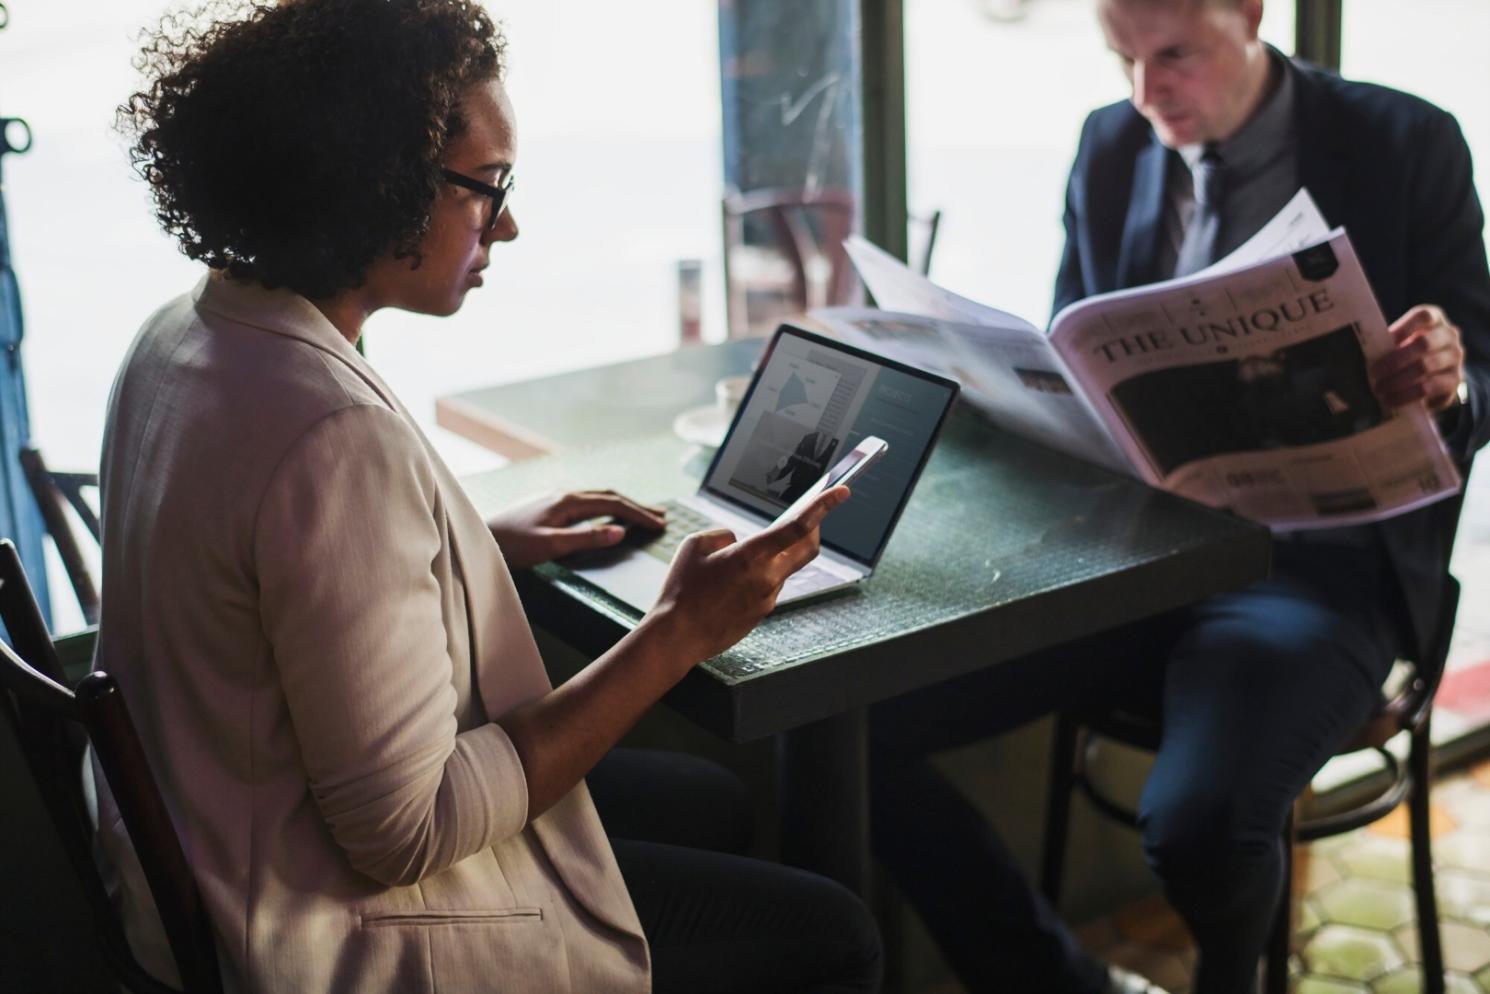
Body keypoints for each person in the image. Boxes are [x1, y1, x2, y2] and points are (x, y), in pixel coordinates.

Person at [93, 2, 883, 992]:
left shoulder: (187, 334)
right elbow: (405, 829)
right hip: (318, 931)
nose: (504, 223)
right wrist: (677, 632)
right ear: (371, 184)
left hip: (209, 852)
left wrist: (464, 544)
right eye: (486, 186)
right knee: (834, 935)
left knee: (705, 803)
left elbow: (267, 584)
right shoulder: (331, 433)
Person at [869, 1, 1489, 992]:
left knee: (1199, 825)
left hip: (1318, 569)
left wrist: (1448, 377)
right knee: (848, 738)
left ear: (1247, 12)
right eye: (1118, 59)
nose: (1143, 93)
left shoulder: (1402, 140)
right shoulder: (1109, 142)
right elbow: (1077, 347)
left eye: (1171, 57)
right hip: (1129, 553)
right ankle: (1051, 979)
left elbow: (1481, 371)